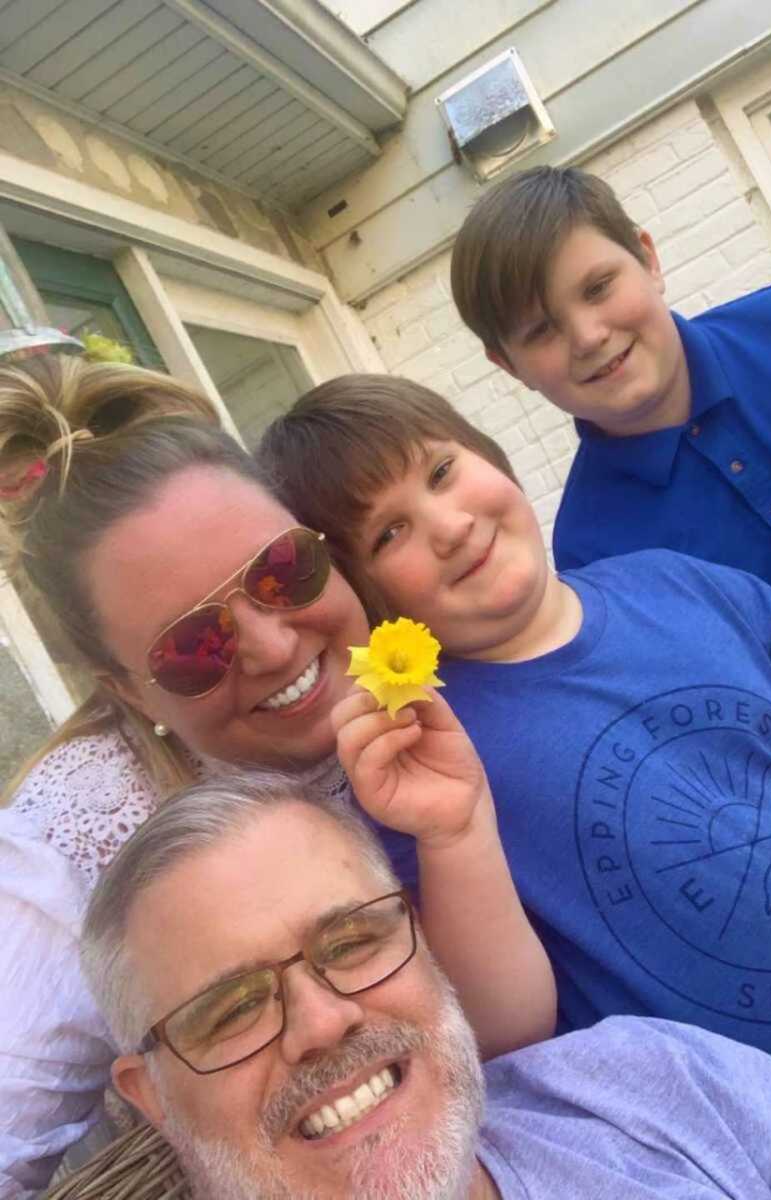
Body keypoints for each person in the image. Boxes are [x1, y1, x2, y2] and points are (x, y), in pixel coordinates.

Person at [258, 374, 771, 1143]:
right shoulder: (422, 755)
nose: (450, 526)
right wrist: (452, 833)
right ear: (368, 592)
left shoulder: (683, 585)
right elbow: (507, 1034)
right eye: (388, 533)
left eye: (440, 472)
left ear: (488, 452)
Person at [0, 355, 548, 1199]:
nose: (274, 645)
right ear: (123, 690)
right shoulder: (82, 832)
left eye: (282, 573)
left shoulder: (423, 647)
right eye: (192, 647)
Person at [79, 769, 771, 1200]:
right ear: (151, 1097)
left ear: (419, 937)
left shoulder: (665, 1085)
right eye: (231, 1008)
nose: (323, 1023)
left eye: (351, 939)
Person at [449, 165, 771, 692]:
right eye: (542, 329)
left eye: (597, 288)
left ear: (648, 258)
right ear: (508, 365)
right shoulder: (594, 552)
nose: (589, 336)